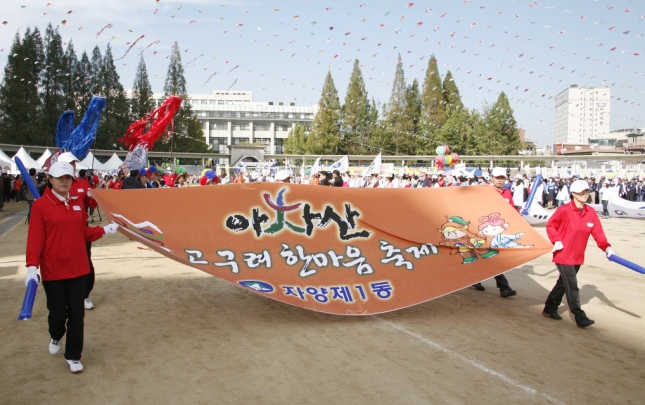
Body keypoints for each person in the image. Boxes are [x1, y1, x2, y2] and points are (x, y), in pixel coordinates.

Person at [24, 161, 119, 374]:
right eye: (60, 178)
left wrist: (105, 230)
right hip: (53, 270)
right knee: (57, 314)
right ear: (50, 179)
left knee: (77, 315)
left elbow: (83, 232)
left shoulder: (76, 204)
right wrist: (32, 267)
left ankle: (73, 355)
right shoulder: (41, 206)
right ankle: (56, 335)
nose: (64, 181)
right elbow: (35, 240)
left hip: (78, 269)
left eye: (68, 178)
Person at [542, 180, 613, 328]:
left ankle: (549, 308)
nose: (585, 194)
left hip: (578, 256)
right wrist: (556, 240)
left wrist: (606, 247)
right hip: (563, 254)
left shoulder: (590, 212)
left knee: (563, 283)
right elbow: (551, 225)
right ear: (573, 194)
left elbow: (598, 233)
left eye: (586, 191)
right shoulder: (564, 210)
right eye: (581, 192)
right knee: (572, 285)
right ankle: (579, 317)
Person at [471, 167, 518, 298]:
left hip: (500, 231)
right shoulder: (484, 191)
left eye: (502, 178)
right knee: (494, 258)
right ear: (492, 178)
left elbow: (512, 210)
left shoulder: (507, 193)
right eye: (497, 177)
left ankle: (474, 279)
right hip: (484, 230)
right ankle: (504, 287)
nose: (499, 180)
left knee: (488, 257)